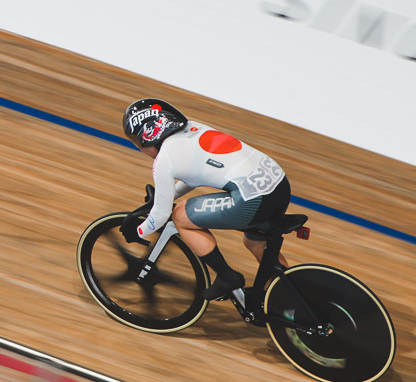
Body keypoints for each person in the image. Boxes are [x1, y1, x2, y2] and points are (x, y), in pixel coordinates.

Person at [120, 99, 293, 304]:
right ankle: (291, 294)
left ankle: (227, 277)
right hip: (278, 184)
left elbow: (161, 215)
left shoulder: (164, 160)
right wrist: (166, 196)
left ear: (145, 138)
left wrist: (138, 231)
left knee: (180, 216)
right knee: (255, 241)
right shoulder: (193, 128)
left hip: (252, 199)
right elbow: (194, 176)